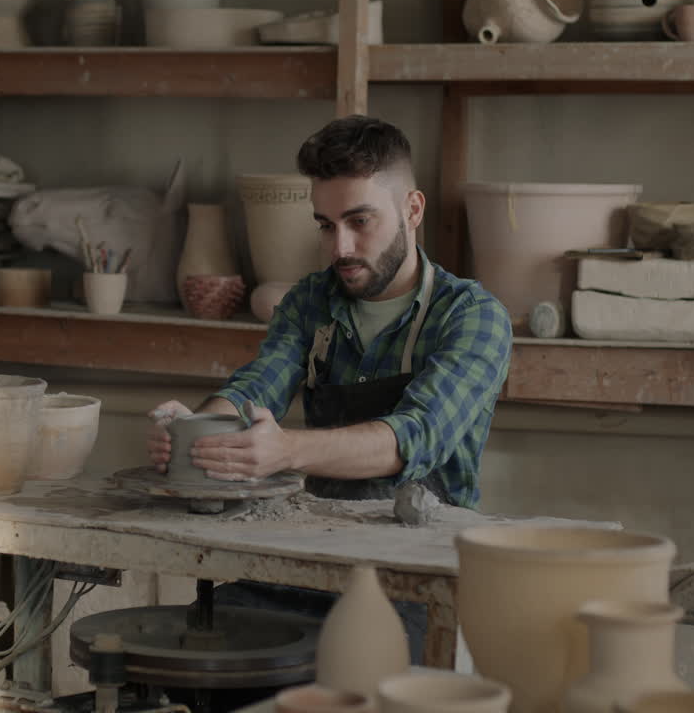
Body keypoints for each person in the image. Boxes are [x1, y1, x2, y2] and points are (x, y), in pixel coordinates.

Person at [143, 115, 513, 669]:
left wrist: (286, 450)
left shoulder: (472, 316)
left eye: (360, 221)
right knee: (191, 657)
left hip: (415, 578)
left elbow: (410, 438)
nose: (340, 246)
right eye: (325, 224)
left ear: (412, 210)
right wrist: (197, 431)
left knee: (357, 679)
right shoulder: (311, 302)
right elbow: (257, 385)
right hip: (311, 556)